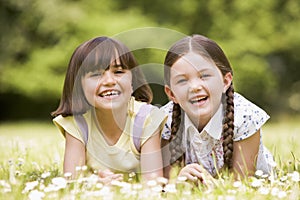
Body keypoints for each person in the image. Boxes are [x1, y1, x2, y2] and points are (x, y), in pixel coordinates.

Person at [160, 34, 276, 182]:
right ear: (171, 94)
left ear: (225, 81)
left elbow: (242, 184)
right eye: (182, 80)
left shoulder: (244, 116)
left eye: (204, 76)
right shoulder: (164, 121)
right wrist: (179, 181)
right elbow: (165, 183)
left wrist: (211, 184)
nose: (195, 87)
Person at [51, 36, 166, 182]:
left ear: (132, 81)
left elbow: (153, 185)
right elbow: (71, 183)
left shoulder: (146, 119)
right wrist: (96, 185)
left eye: (118, 72)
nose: (110, 81)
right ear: (78, 86)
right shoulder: (78, 124)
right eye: (96, 74)